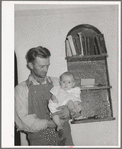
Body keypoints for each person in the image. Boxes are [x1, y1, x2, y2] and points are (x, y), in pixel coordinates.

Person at [15, 46, 74, 146]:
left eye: (48, 66)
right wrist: (47, 123)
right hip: (40, 141)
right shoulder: (21, 89)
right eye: (42, 66)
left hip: (65, 138)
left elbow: (76, 102)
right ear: (31, 65)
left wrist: (69, 111)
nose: (46, 70)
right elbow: (22, 121)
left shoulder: (57, 82)